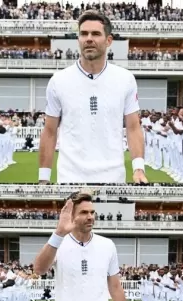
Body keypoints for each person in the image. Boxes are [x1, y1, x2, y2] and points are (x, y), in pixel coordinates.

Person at [38, 11, 146, 184]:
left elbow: (133, 127)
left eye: (95, 34)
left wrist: (138, 168)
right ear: (78, 39)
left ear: (108, 40)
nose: (88, 38)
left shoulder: (125, 79)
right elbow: (50, 132)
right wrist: (43, 178)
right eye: (83, 34)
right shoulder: (58, 81)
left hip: (113, 179)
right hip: (70, 179)